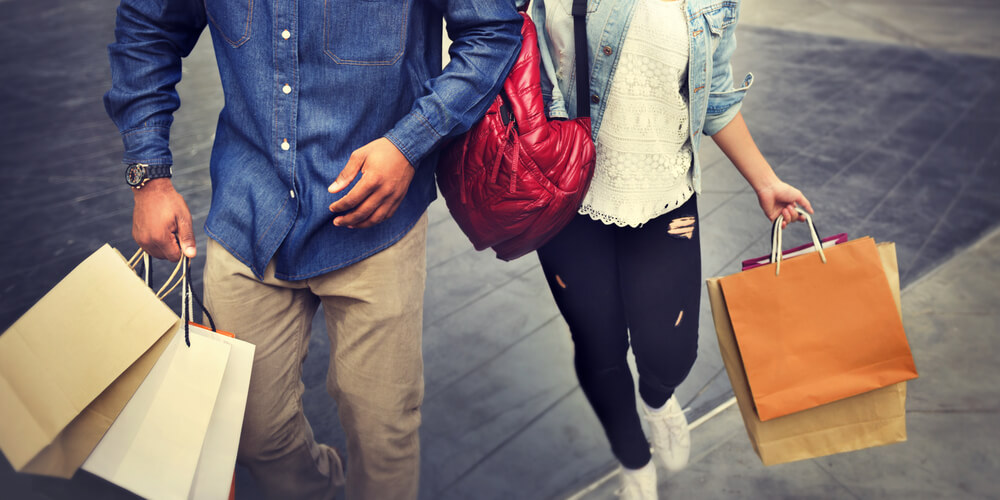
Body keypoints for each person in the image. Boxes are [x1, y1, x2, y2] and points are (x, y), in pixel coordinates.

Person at [105, 1, 522, 498]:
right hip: (250, 209)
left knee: (383, 434)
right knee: (251, 432)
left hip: (378, 227)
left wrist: (412, 141)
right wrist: (148, 177)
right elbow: (148, 28)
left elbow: (493, 32)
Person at [528, 0, 812, 498]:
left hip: (665, 197)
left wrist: (765, 181)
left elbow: (717, 98)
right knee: (599, 348)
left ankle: (656, 400)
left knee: (672, 352)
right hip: (566, 199)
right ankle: (633, 459)